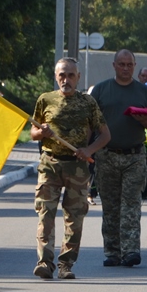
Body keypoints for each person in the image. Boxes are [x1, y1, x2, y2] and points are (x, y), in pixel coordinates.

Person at [29, 58, 110, 279]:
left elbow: (105, 134)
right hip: (50, 163)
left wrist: (89, 150)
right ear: (56, 76)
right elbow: (32, 132)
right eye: (62, 75)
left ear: (78, 77)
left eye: (71, 75)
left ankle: (66, 264)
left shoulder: (88, 103)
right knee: (46, 212)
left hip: (77, 166)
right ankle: (45, 262)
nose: (66, 80)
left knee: (75, 216)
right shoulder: (45, 100)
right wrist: (41, 132)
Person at [90, 49, 147, 267]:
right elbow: (88, 122)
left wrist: (143, 121)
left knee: (131, 204)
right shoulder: (101, 90)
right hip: (107, 155)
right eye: (122, 64)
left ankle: (131, 250)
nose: (126, 68)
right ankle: (112, 251)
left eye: (130, 64)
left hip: (134, 156)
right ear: (114, 65)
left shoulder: (142, 91)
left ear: (135, 65)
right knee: (110, 205)